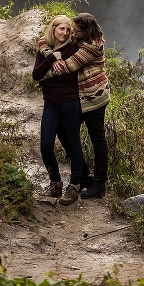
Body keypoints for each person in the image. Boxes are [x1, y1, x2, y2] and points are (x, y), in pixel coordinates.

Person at [42, 13, 111, 198]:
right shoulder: (79, 39)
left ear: (86, 32)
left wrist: (42, 76)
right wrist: (48, 52)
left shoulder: (92, 47)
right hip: (80, 98)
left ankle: (99, 183)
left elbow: (67, 67)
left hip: (95, 98)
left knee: (97, 139)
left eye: (77, 31)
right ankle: (84, 174)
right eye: (72, 29)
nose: (72, 33)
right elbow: (43, 40)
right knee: (64, 131)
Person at [32, 15, 85, 206]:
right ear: (53, 29)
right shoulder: (45, 51)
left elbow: (68, 77)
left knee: (73, 143)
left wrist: (46, 79)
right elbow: (35, 75)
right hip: (51, 104)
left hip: (70, 102)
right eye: (61, 29)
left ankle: (74, 186)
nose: (65, 33)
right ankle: (55, 184)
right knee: (46, 146)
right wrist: (50, 60)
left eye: (68, 29)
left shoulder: (73, 48)